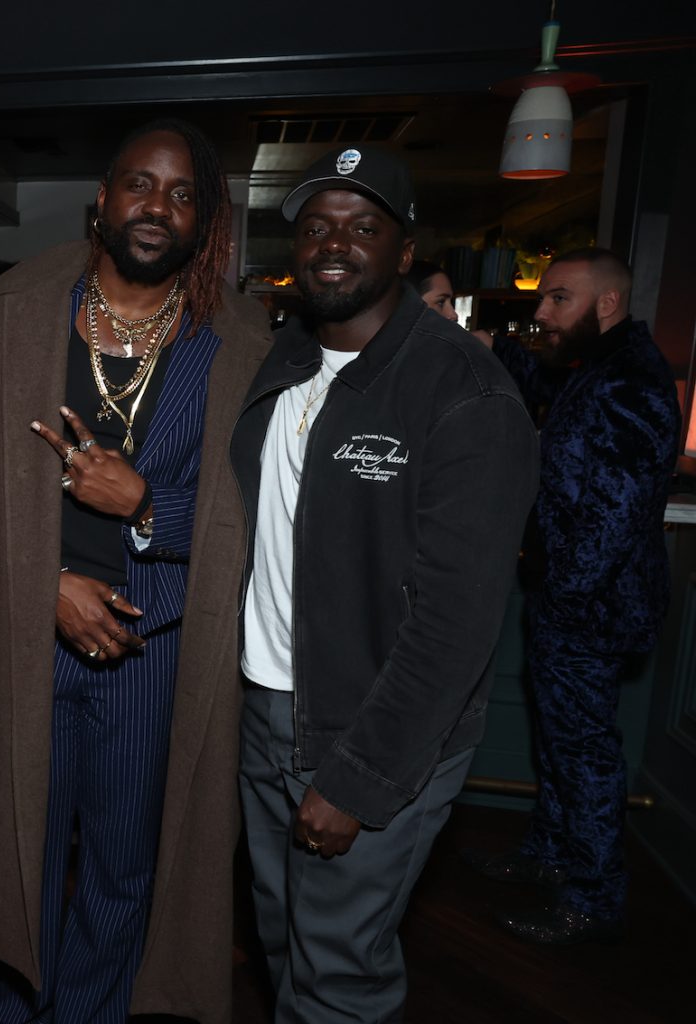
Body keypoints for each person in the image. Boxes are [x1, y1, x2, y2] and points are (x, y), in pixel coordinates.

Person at [0, 119, 274, 1024]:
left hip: (158, 646)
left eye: (183, 193)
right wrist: (44, 591)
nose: (159, 206)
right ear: (101, 200)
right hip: (23, 637)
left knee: (124, 868)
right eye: (141, 185)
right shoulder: (15, 317)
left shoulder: (234, 344)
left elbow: (251, 510)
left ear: (207, 218)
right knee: (15, 853)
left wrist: (146, 503)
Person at [231, 145, 538, 1022]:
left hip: (371, 727)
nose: (335, 244)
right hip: (267, 710)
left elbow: (455, 622)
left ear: (405, 252)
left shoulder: (464, 391)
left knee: (338, 974)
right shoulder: (280, 363)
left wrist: (359, 777)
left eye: (363, 227)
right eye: (318, 226)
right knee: (284, 936)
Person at [470, 248, 680, 944]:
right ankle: (551, 860)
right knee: (560, 747)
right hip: (572, 605)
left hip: (588, 613)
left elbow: (611, 518)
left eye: (559, 298)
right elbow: (546, 386)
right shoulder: (601, 369)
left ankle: (591, 897)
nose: (541, 311)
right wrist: (492, 346)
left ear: (607, 304)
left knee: (585, 755)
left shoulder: (632, 384)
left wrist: (560, 597)